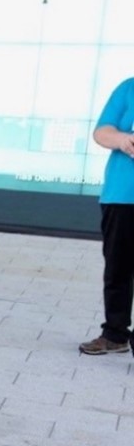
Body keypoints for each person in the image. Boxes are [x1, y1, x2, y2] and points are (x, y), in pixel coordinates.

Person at [79, 78, 134, 355]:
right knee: (118, 268)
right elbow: (102, 132)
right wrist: (124, 140)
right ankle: (115, 334)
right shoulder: (128, 88)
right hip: (122, 195)